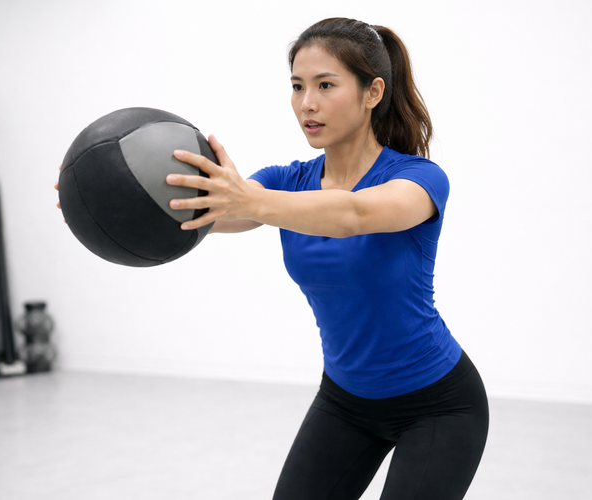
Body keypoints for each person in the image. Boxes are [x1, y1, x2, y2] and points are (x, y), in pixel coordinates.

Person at [163, 17, 489, 500]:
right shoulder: (285, 181)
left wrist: (250, 201)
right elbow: (209, 215)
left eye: (325, 85)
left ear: (372, 92)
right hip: (346, 402)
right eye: (297, 86)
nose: (306, 103)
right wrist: (113, 204)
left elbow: (352, 214)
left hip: (438, 404)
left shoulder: (420, 179)